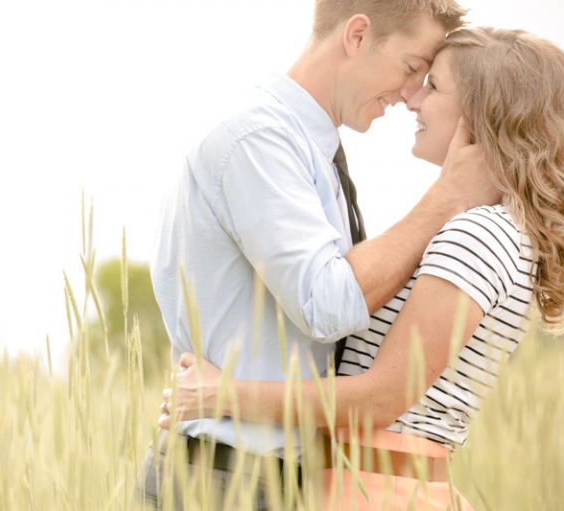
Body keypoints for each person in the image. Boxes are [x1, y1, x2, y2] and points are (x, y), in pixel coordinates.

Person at [158, 27, 564, 510]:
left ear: (482, 112)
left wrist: (221, 396)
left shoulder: (478, 236)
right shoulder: (481, 229)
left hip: (377, 490)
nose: (413, 99)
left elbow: (380, 400)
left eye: (433, 86)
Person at [140, 0, 502, 508]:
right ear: (356, 36)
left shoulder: (309, 147)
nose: (409, 94)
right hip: (224, 479)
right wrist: (448, 197)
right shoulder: (259, 140)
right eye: (411, 67)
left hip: (276, 477)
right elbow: (328, 304)